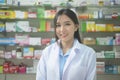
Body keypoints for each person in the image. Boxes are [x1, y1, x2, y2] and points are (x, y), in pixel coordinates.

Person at [36, 8, 96, 80]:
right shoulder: (47, 52)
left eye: (67, 24)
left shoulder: (89, 53)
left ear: (76, 27)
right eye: (58, 25)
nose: (62, 30)